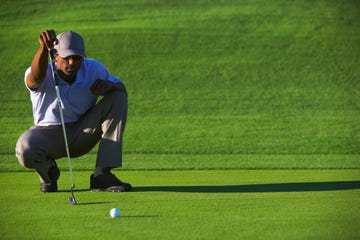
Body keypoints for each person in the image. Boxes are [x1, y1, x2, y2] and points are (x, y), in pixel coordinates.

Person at [15, 29, 132, 193]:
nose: (71, 62)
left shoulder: (94, 68)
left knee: (118, 97)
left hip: (83, 131)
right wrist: (43, 49)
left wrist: (110, 87)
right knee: (24, 149)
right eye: (66, 57)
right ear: (55, 55)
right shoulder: (43, 71)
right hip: (48, 136)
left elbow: (122, 88)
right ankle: (48, 174)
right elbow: (35, 78)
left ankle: (102, 175)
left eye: (76, 58)